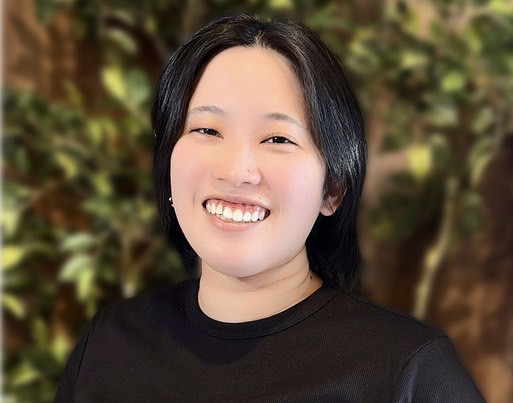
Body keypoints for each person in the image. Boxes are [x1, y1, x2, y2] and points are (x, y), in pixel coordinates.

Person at [55, 13, 485, 402]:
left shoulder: (407, 370)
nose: (237, 171)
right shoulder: (108, 344)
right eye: (207, 130)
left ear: (332, 190)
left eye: (278, 139)